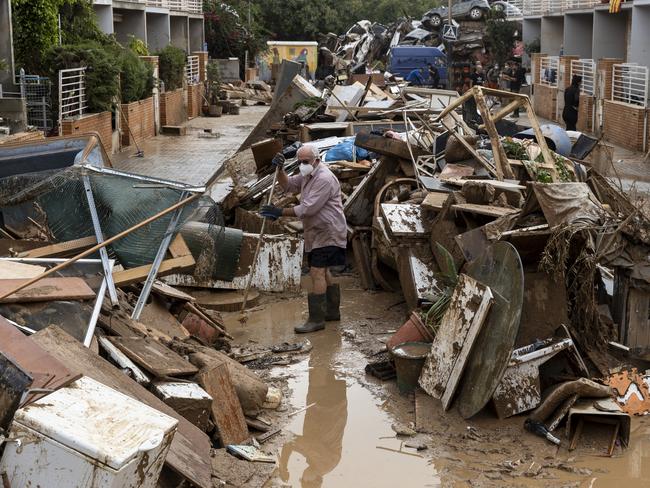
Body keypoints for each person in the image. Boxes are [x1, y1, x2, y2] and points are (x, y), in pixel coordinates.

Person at [260, 145, 347, 334]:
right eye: (299, 162)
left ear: (316, 160)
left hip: (328, 231)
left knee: (316, 272)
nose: (302, 165)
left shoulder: (324, 178)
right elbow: (288, 185)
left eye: (305, 162)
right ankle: (331, 312)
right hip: (318, 231)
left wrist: (280, 212)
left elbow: (308, 209)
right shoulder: (309, 174)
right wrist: (280, 170)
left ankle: (316, 319)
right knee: (323, 272)